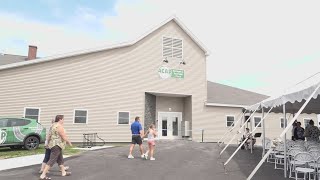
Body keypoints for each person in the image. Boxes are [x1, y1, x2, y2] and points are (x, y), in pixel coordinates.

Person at [40, 115, 72, 180]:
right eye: (63, 119)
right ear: (60, 119)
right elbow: (63, 136)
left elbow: (49, 135)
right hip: (57, 145)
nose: (63, 121)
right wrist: (69, 142)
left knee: (60, 159)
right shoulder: (59, 126)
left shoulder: (53, 125)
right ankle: (43, 175)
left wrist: (48, 142)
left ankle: (63, 172)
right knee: (51, 160)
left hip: (53, 145)